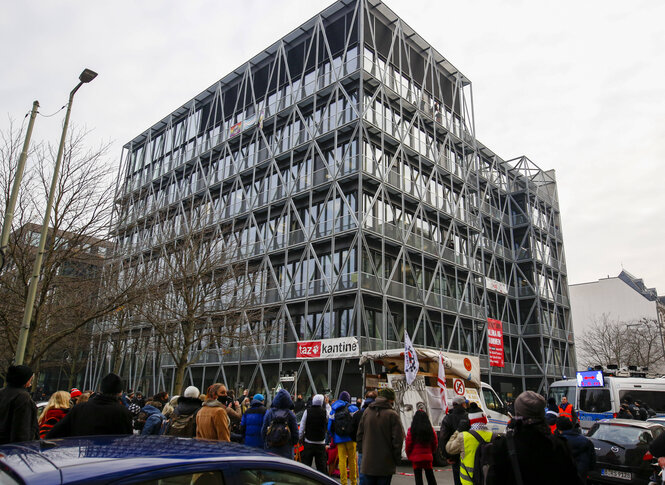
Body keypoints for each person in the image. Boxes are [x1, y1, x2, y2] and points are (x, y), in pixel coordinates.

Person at [487, 390, 582, 485]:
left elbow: (493, 480)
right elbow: (573, 479)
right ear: (542, 414)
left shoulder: (503, 447)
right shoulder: (559, 446)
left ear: (517, 414)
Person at [47, 373, 133, 438]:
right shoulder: (122, 412)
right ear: (120, 392)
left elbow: (54, 433)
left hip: (80, 455)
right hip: (107, 458)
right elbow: (126, 440)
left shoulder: (79, 408)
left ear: (101, 389)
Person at [356, 387, 405, 485]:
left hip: (367, 463)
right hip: (385, 464)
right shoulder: (392, 415)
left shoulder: (367, 411)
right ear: (391, 400)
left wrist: (363, 453)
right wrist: (396, 459)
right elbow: (398, 440)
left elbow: (359, 435)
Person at [445, 403, 493, 485]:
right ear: (484, 419)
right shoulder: (494, 436)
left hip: (468, 481)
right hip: (487, 480)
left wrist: (458, 431)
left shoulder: (463, 436)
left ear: (469, 420)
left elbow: (449, 448)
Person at [0, 365, 38, 444]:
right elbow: (21, 429)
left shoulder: (2, 393)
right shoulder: (23, 397)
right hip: (12, 449)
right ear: (25, 380)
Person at [329, 390, 359, 485]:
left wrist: (334, 436)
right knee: (352, 460)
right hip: (351, 438)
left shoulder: (333, 409)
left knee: (342, 460)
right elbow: (358, 423)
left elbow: (329, 427)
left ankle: (343, 482)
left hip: (339, 438)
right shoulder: (353, 408)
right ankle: (353, 482)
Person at [556, 417, 596, 484]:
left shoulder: (557, 442)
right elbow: (592, 461)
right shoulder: (586, 441)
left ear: (559, 429)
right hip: (581, 476)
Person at [439, 395, 468, 485]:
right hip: (469, 453)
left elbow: (443, 438)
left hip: (454, 453)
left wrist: (447, 456)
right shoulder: (469, 416)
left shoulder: (448, 418)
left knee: (457, 478)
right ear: (462, 404)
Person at [261, 388, 298, 458]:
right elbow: (295, 435)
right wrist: (290, 444)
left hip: (270, 450)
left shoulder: (269, 413)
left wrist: (268, 443)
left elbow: (263, 432)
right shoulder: (291, 414)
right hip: (287, 451)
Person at [406, 409, 439, 485]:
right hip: (427, 457)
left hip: (416, 458)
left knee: (418, 478)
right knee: (430, 476)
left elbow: (408, 444)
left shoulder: (411, 430)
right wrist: (431, 452)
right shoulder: (430, 430)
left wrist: (409, 455)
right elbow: (435, 443)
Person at [299, 394, 328, 474]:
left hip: (309, 442)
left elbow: (302, 427)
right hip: (320, 443)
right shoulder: (325, 412)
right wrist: (327, 404)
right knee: (322, 469)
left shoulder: (307, 411)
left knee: (306, 467)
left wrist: (300, 438)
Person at [354, 390, 377, 485]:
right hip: (377, 450)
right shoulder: (383, 413)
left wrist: (359, 446)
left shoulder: (360, 413)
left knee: (363, 478)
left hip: (363, 449)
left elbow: (356, 432)